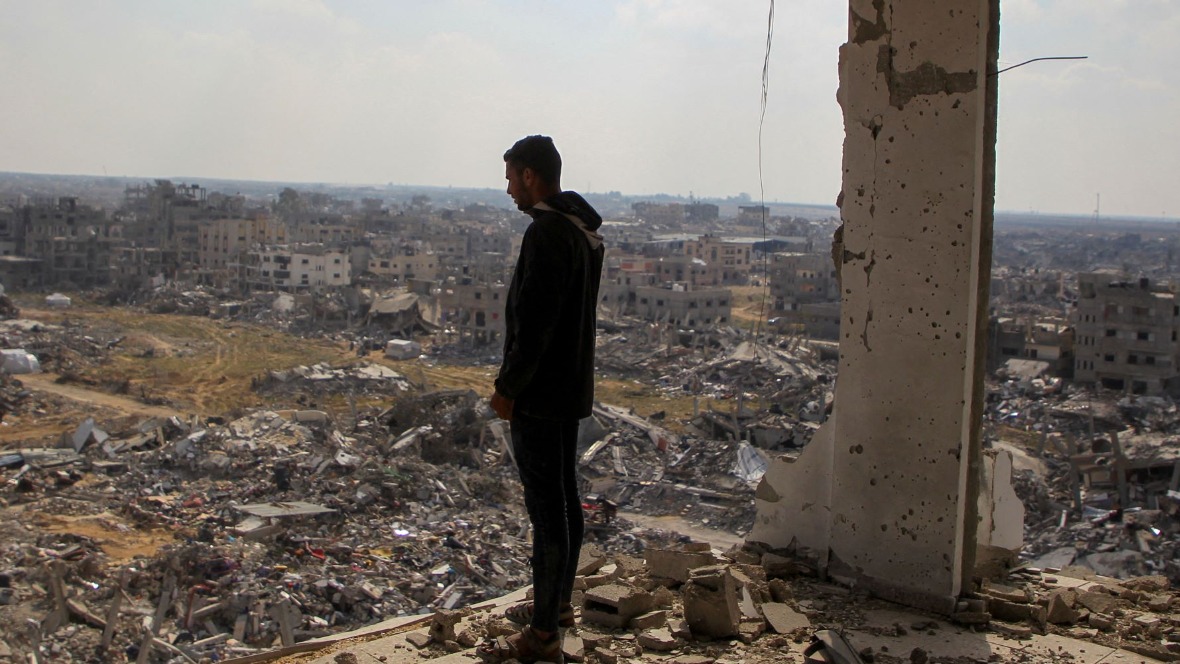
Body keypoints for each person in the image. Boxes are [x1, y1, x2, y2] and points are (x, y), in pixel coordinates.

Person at [480, 135, 604, 664]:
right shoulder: (581, 233)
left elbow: (534, 326)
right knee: (564, 500)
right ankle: (555, 609)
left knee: (547, 511)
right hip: (570, 389)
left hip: (540, 395)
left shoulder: (547, 235)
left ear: (531, 176)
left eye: (511, 177)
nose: (508, 190)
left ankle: (542, 636)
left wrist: (508, 389)